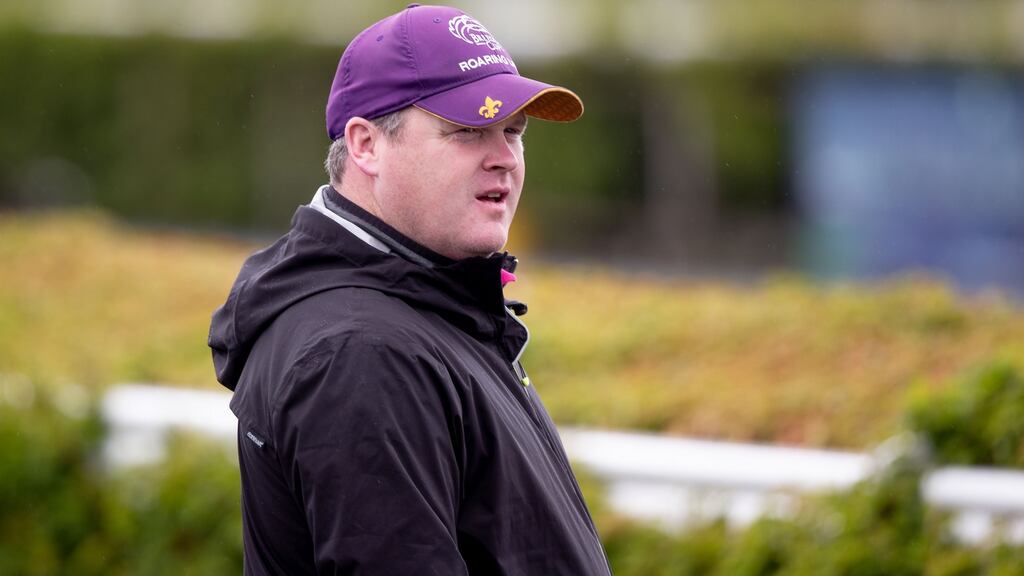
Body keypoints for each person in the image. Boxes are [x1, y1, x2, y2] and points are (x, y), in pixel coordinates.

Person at [209, 4, 611, 574]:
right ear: (366, 145)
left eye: (514, 131)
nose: (504, 159)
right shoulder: (361, 353)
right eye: (469, 131)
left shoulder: (426, 303)